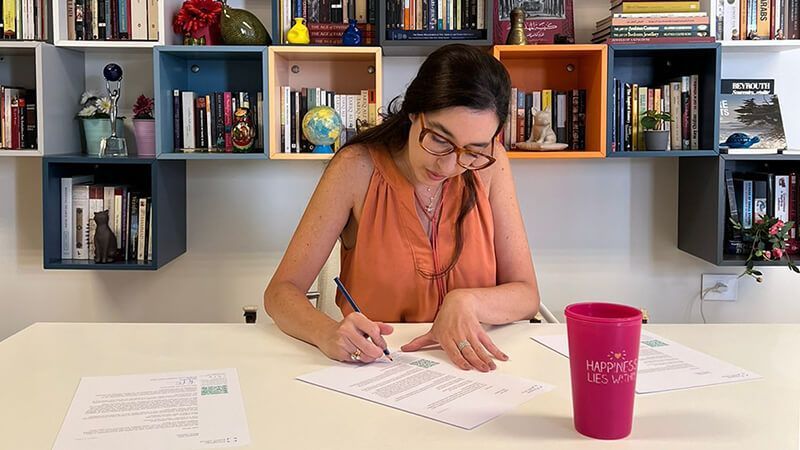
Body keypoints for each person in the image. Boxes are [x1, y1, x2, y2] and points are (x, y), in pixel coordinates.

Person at [264, 44, 540, 372]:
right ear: (413, 113)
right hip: (377, 369)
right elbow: (280, 293)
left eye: (473, 149)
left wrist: (467, 301)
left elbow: (527, 295)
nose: (451, 164)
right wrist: (327, 332)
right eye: (439, 139)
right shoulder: (356, 168)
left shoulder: (490, 165)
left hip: (474, 370)